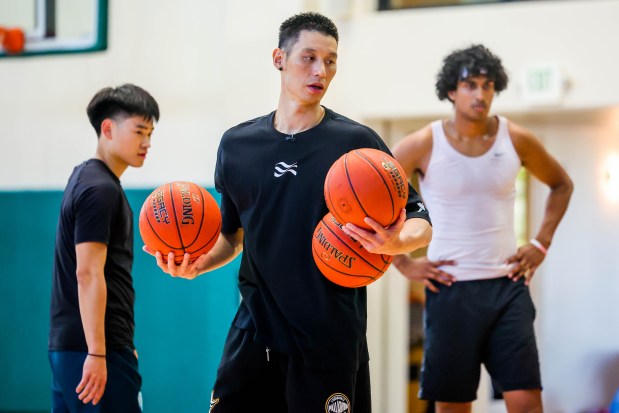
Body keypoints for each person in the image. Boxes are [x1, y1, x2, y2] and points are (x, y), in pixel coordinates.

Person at [149, 12, 432, 413]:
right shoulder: (236, 145)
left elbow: (421, 219)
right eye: (309, 57)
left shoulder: (356, 144)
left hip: (328, 334)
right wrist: (195, 264)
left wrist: (397, 240)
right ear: (279, 58)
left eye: (331, 60)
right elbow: (233, 237)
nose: (321, 70)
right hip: (254, 329)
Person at [391, 44, 573, 412]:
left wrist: (541, 243)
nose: (481, 93)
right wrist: (403, 262)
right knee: (453, 406)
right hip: (450, 290)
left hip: (508, 288)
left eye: (488, 85)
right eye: (471, 84)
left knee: (526, 403)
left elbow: (561, 184)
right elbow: (377, 201)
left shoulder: (515, 138)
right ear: (451, 91)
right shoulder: (424, 143)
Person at [48, 84, 160, 412]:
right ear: (107, 128)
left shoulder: (84, 177)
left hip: (76, 347)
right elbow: (87, 272)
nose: (147, 143)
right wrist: (98, 352)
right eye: (139, 131)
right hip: (93, 351)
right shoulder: (100, 190)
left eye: (151, 133)